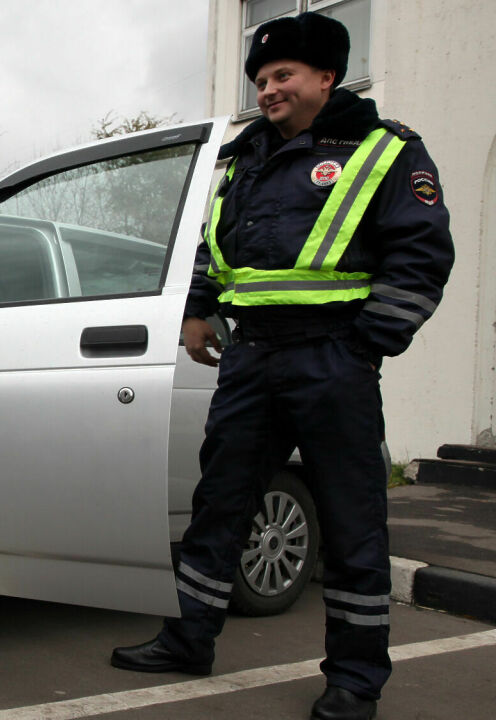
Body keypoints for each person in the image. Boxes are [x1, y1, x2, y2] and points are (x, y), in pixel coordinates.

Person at [109, 12, 453, 720]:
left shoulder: (385, 150)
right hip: (252, 356)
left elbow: (421, 257)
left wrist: (366, 346)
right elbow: (212, 247)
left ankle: (355, 681)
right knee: (219, 506)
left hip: (334, 356)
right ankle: (188, 638)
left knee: (352, 524)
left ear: (327, 77)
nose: (269, 90)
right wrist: (199, 310)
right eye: (262, 80)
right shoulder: (243, 158)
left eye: (283, 76)